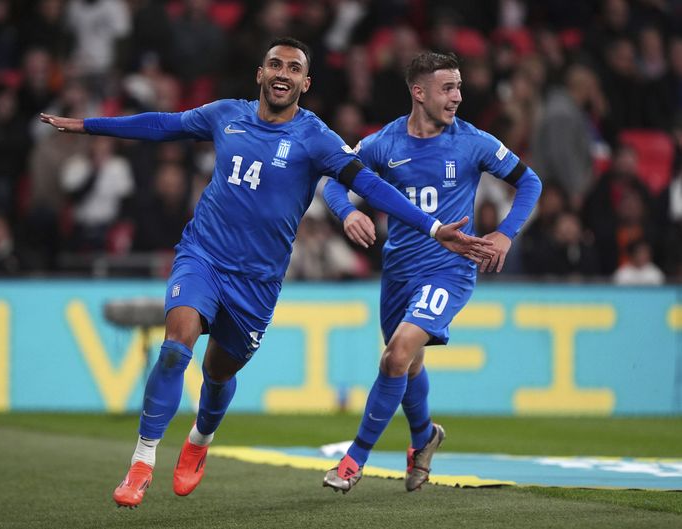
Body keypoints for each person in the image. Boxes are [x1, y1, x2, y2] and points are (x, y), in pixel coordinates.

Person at [40, 38, 495, 508]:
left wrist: (434, 226)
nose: (283, 73)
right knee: (177, 346)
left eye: (293, 68)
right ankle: (141, 462)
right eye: (274, 64)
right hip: (203, 255)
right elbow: (163, 125)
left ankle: (199, 439)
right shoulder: (225, 115)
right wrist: (89, 127)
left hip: (256, 282)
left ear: (305, 82)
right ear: (260, 74)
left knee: (218, 373)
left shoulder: (315, 138)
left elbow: (369, 184)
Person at [321, 51, 542, 493]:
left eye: (459, 87)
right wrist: (346, 213)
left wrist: (505, 234)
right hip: (399, 272)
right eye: (448, 88)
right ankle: (424, 437)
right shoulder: (384, 144)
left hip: (450, 269)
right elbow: (332, 181)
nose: (457, 96)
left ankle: (353, 459)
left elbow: (529, 181)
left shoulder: (472, 141)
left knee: (396, 354)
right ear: (418, 93)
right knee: (408, 365)